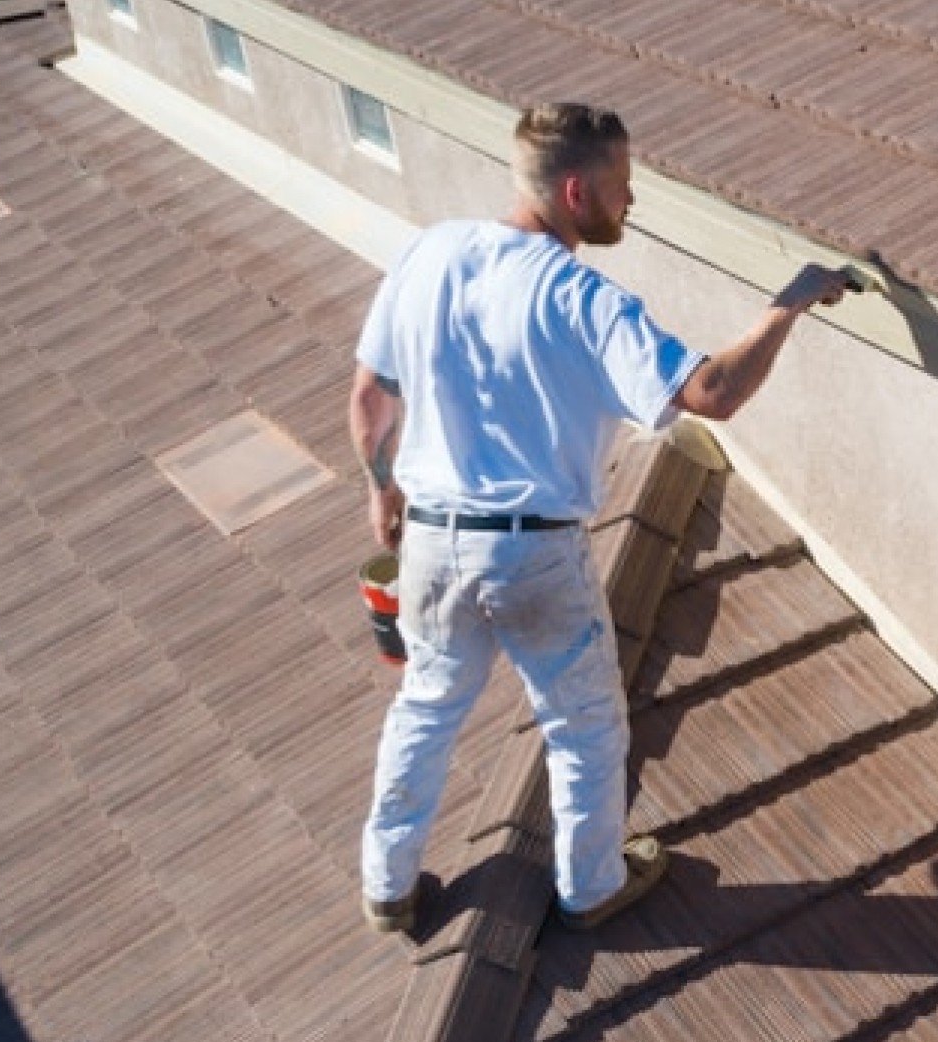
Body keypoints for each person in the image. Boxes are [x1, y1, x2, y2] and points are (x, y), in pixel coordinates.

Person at [351, 101, 848, 935]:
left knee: (426, 710)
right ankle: (589, 886)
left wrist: (381, 487)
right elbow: (711, 394)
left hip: (433, 540)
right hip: (532, 554)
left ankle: (387, 888)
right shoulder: (581, 298)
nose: (631, 203)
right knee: (581, 721)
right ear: (576, 190)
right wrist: (787, 307)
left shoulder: (429, 253)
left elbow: (371, 399)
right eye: (622, 187)